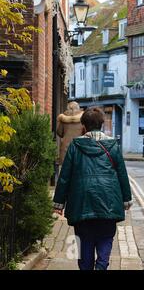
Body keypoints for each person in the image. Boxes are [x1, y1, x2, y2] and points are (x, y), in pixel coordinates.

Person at [53, 107, 132, 271]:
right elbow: (122, 175)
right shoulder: (113, 145)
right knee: (105, 240)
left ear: (83, 125)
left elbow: (65, 176)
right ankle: (102, 267)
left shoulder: (75, 145)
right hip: (108, 204)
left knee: (84, 247)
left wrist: (59, 203)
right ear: (102, 124)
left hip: (81, 205)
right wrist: (126, 199)